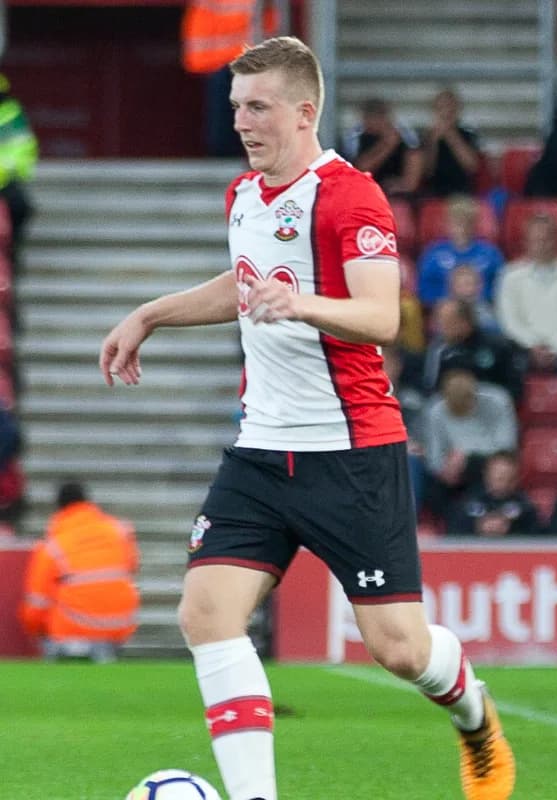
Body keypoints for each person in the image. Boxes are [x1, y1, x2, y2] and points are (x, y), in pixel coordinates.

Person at [99, 36, 515, 800]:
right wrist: (151, 313)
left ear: (304, 111)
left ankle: (472, 710)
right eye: (236, 107)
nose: (242, 122)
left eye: (257, 107)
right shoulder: (244, 194)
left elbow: (382, 315)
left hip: (351, 451)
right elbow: (245, 284)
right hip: (261, 451)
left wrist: (302, 304)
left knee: (398, 650)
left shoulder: (351, 196)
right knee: (206, 613)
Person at [19, 480, 140, 662]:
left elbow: (36, 605)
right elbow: (131, 567)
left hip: (71, 630)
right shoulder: (120, 532)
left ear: (59, 508)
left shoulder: (53, 546)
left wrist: (37, 630)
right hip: (119, 625)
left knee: (49, 601)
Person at [495, 211, 557, 375]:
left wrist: (555, 348)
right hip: (523, 347)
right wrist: (533, 345)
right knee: (512, 364)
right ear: (526, 242)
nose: (542, 245)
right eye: (536, 240)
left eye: (547, 239)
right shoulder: (510, 276)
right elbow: (509, 319)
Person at [423, 369, 519, 518]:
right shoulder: (436, 410)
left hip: (488, 462)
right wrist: (445, 469)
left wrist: (466, 456)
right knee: (433, 490)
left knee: (487, 471)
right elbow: (434, 457)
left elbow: (507, 447)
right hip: (451, 469)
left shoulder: (498, 400)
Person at [422, 298, 523, 402]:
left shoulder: (497, 346)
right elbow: (432, 389)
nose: (442, 328)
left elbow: (514, 388)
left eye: (447, 322)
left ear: (465, 322)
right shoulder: (440, 350)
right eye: (440, 322)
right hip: (452, 408)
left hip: (493, 405)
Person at [416, 194, 505, 308]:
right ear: (446, 224)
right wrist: (448, 297)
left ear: (475, 224)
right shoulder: (433, 253)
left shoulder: (490, 253)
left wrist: (478, 295)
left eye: (467, 221)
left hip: (481, 308)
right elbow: (423, 289)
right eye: (456, 221)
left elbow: (501, 288)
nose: (462, 227)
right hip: (444, 309)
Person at [447, 451, 540, 537]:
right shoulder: (468, 502)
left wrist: (510, 529)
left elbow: (536, 539)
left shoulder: (525, 506)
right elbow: (453, 535)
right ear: (486, 474)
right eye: (499, 477)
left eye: (509, 477)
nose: (503, 483)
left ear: (516, 479)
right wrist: (478, 527)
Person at [0, 73, 38, 272]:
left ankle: (10, 254)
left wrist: (9, 170)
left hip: (4, 180)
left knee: (20, 207)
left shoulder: (10, 112)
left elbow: (23, 147)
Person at [351, 98, 424, 198]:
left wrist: (401, 185)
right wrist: (387, 145)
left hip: (399, 195)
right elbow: (361, 169)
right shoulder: (359, 138)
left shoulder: (405, 136)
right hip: (369, 192)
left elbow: (413, 172)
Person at [421, 86, 482, 197]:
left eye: (450, 107)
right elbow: (426, 172)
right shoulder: (428, 136)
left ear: (457, 110)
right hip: (434, 192)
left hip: (461, 192)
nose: (446, 112)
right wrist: (433, 142)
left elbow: (471, 166)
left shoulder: (468, 133)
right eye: (441, 108)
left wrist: (450, 135)